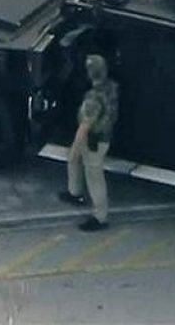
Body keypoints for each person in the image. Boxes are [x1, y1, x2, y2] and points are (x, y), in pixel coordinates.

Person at [58, 54, 119, 232]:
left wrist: (73, 151)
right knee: (85, 168)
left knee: (94, 178)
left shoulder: (93, 98)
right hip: (103, 137)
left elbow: (85, 126)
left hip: (93, 141)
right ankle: (74, 192)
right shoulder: (111, 87)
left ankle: (100, 217)